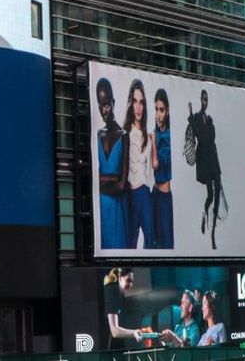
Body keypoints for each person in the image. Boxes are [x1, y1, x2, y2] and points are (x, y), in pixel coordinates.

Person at [188, 90, 225, 250]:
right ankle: (205, 213)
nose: (205, 102)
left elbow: (210, 138)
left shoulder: (209, 120)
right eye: (203, 99)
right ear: (200, 100)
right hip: (205, 161)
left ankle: (213, 233)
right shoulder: (196, 118)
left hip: (213, 159)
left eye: (207, 100)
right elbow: (200, 136)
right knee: (210, 194)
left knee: (217, 194)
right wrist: (190, 115)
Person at [123, 80, 157, 249]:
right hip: (131, 195)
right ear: (131, 103)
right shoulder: (125, 134)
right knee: (130, 243)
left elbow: (152, 168)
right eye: (135, 101)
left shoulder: (148, 136)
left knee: (150, 241)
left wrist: (153, 143)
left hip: (145, 193)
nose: (138, 107)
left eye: (142, 102)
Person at [96, 78, 128, 249]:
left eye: (107, 104)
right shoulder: (97, 135)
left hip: (117, 211)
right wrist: (110, 179)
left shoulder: (123, 135)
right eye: (100, 105)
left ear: (113, 103)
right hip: (101, 210)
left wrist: (100, 182)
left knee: (122, 269)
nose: (104, 110)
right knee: (103, 269)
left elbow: (121, 185)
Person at [152, 88, 173, 249]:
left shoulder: (168, 136)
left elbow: (156, 164)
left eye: (161, 110)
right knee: (155, 242)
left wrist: (152, 140)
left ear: (167, 111)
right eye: (156, 109)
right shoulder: (157, 132)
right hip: (155, 193)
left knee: (165, 243)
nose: (158, 114)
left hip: (165, 197)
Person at [103, 267, 143, 349]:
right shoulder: (112, 291)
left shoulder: (117, 293)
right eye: (128, 280)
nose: (131, 285)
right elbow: (115, 332)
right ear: (120, 277)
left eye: (132, 282)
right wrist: (134, 332)